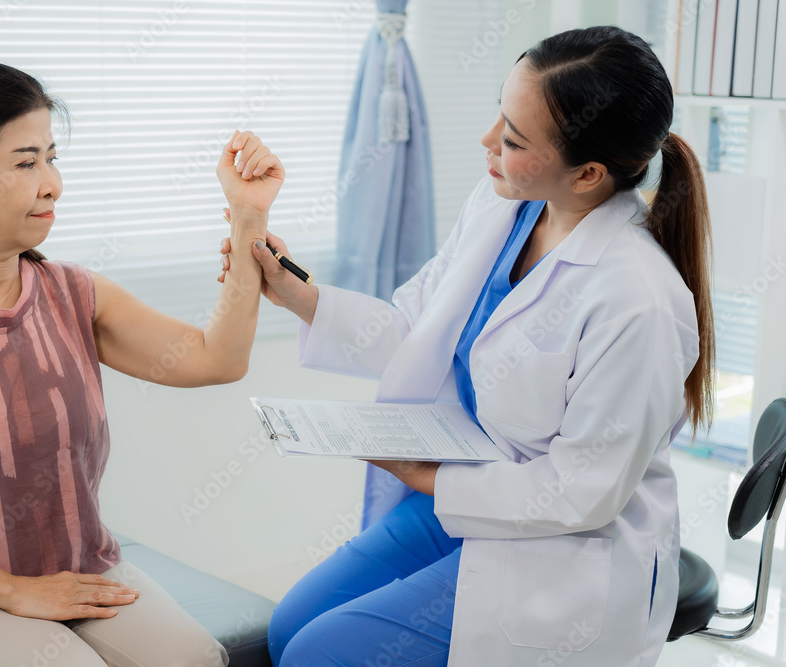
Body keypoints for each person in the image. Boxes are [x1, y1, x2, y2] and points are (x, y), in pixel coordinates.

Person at [220, 26, 713, 666]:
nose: (487, 141)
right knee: (289, 630)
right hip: (462, 496)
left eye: (513, 139)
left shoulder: (639, 301)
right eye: (499, 116)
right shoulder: (504, 204)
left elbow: (582, 492)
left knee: (319, 655)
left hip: (557, 544)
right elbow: (417, 331)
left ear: (588, 173)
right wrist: (298, 294)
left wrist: (422, 475)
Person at [0, 57, 283, 667]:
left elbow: (215, 360)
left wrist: (249, 217)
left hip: (78, 571)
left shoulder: (74, 294)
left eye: (52, 158)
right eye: (25, 163)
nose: (52, 184)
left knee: (196, 660)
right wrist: (14, 592)